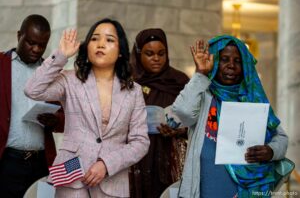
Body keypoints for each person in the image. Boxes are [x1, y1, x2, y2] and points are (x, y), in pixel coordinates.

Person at [24, 18, 150, 198]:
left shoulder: (134, 91)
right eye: (94, 38)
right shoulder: (70, 80)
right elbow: (32, 89)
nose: (100, 44)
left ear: (121, 51)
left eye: (109, 40)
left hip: (112, 183)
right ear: (87, 46)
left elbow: (140, 142)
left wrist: (107, 164)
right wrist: (61, 56)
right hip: (71, 177)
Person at [172, 35, 288, 198]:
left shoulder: (253, 98)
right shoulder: (203, 95)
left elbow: (281, 137)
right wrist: (200, 74)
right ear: (214, 62)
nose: (231, 66)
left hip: (245, 191)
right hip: (204, 190)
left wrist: (271, 151)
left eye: (238, 61)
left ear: (246, 66)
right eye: (224, 59)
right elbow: (183, 113)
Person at [0, 14, 64, 198]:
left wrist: (55, 120)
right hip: (7, 161)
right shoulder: (1, 64)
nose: (36, 49)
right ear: (19, 35)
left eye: (42, 45)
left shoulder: (50, 72)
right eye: (31, 42)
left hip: (41, 162)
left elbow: (65, 118)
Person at [129, 28, 189, 198]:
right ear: (138, 53)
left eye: (161, 53)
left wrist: (180, 130)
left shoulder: (179, 81)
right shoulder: (129, 81)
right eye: (149, 53)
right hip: (136, 156)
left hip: (169, 155)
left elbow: (196, 120)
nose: (156, 59)